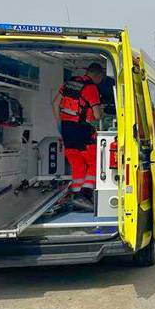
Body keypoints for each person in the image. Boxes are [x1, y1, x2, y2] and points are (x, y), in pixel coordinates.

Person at [53, 62, 104, 210]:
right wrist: (101, 111)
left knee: (77, 164)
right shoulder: (91, 88)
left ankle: (76, 198)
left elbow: (55, 104)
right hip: (82, 130)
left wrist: (61, 123)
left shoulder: (68, 84)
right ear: (97, 75)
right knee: (96, 162)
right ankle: (84, 194)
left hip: (67, 129)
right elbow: (97, 115)